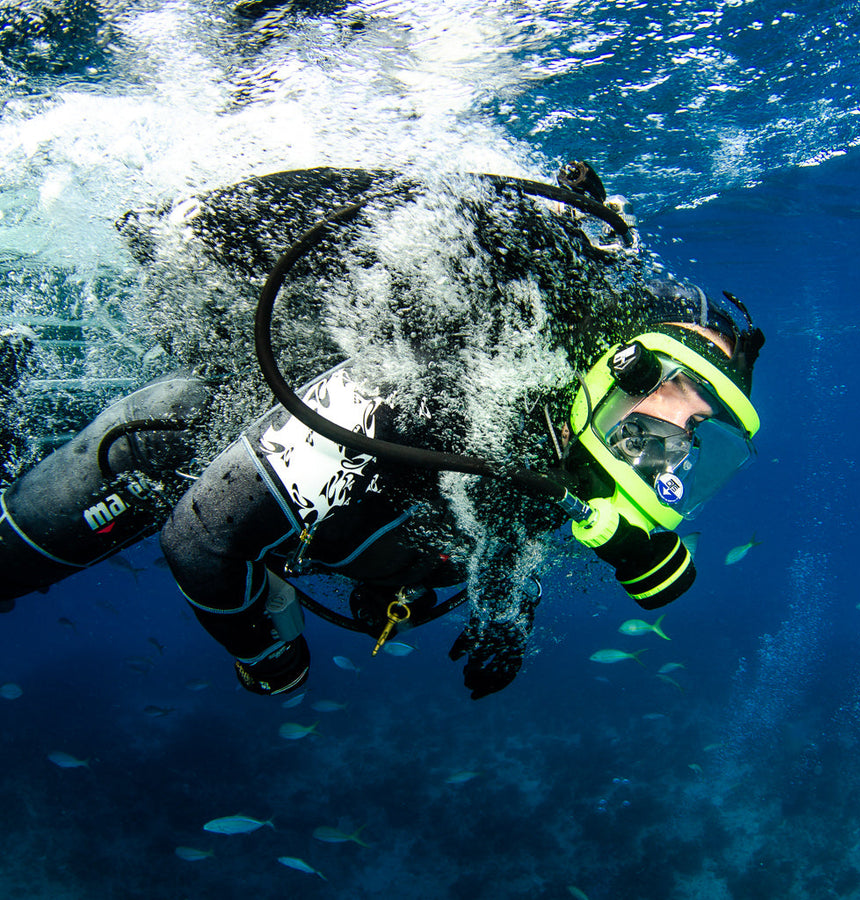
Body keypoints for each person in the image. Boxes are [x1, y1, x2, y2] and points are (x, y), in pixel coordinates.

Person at [0, 162, 764, 699]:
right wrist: (271, 657)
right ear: (623, 362)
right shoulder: (416, 390)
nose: (681, 434)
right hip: (167, 451)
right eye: (679, 388)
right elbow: (200, 540)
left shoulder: (574, 444)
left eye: (704, 420)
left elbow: (515, 513)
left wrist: (504, 616)